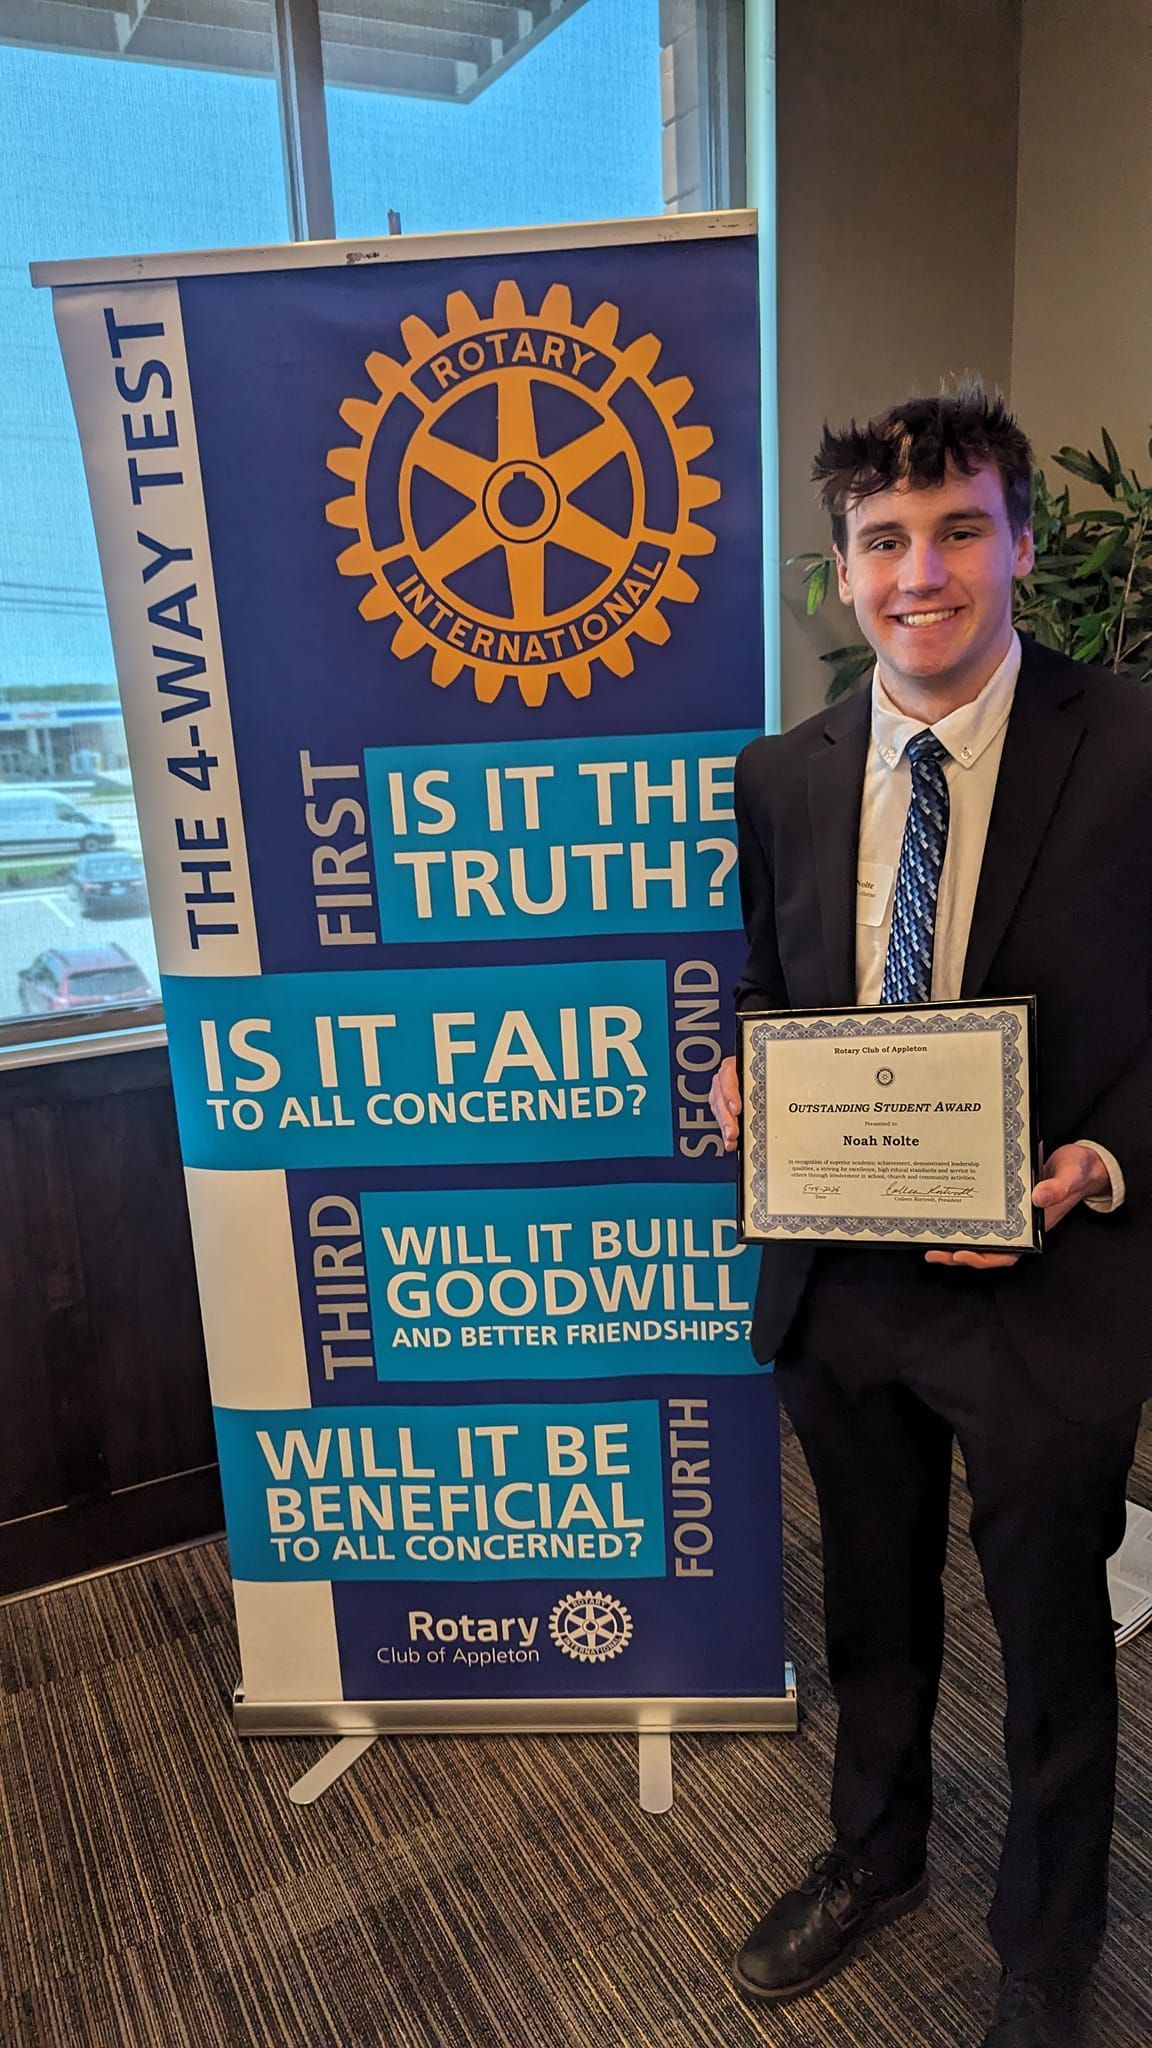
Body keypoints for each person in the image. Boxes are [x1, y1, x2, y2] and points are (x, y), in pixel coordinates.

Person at [710, 388, 1152, 2048]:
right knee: (872, 1605)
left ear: (1019, 543)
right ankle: (873, 1854)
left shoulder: (1135, 744)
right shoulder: (785, 772)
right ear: (841, 574)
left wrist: (1096, 1168)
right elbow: (770, 987)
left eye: (961, 528)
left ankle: (1046, 1951)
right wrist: (747, 1079)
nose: (923, 572)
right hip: (847, 1276)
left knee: (1052, 1633)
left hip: (1050, 1281)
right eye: (884, 541)